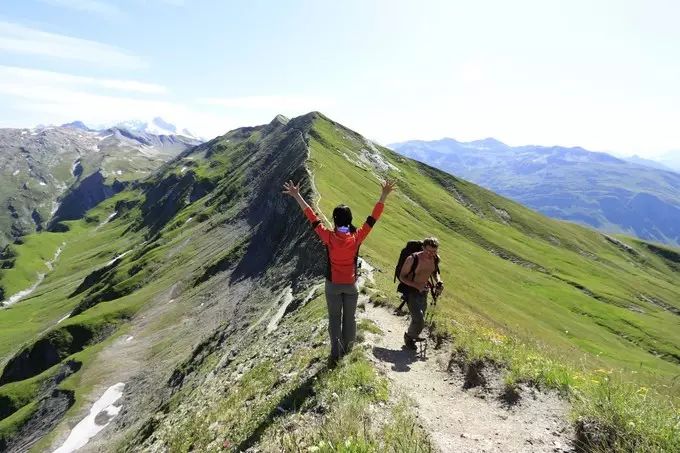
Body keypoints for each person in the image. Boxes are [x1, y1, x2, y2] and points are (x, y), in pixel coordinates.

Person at [283, 178, 396, 367]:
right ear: (350, 220)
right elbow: (373, 218)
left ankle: (336, 354)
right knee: (349, 319)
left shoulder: (328, 237)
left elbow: (311, 216)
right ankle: (348, 351)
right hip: (351, 285)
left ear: (335, 219)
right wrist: (384, 195)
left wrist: (297, 195)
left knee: (335, 319)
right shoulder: (357, 237)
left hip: (332, 285)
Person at [398, 237, 443, 350]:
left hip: (424, 292)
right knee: (419, 319)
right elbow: (402, 277)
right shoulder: (412, 259)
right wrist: (417, 285)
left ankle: (413, 334)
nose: (430, 254)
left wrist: (438, 281)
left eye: (434, 251)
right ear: (423, 248)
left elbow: (434, 272)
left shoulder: (435, 259)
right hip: (411, 292)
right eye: (428, 251)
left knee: (419, 317)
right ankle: (409, 338)